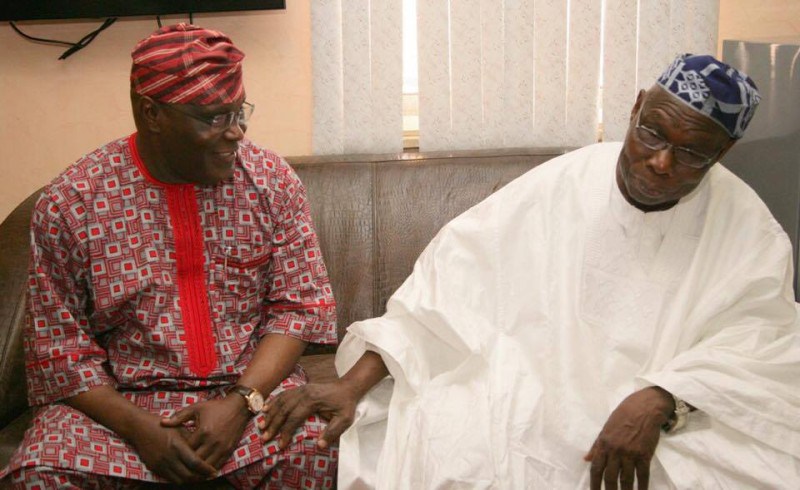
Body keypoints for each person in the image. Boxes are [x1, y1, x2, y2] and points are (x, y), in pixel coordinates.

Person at [260, 53, 800, 488]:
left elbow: (763, 341)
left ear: (723, 152)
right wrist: (353, 386)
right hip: (529, 384)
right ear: (635, 108)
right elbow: (444, 296)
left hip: (669, 406)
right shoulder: (558, 186)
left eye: (690, 154)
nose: (660, 162)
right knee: (458, 442)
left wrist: (662, 398)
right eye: (653, 134)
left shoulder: (747, 226)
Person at [0, 24, 338, 489]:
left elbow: (299, 309)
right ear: (152, 113)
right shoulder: (72, 203)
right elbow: (60, 353)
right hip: (122, 408)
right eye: (214, 118)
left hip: (248, 393)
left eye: (240, 112)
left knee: (321, 450)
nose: (236, 132)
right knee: (40, 472)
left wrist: (240, 404)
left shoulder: (271, 181)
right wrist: (142, 432)